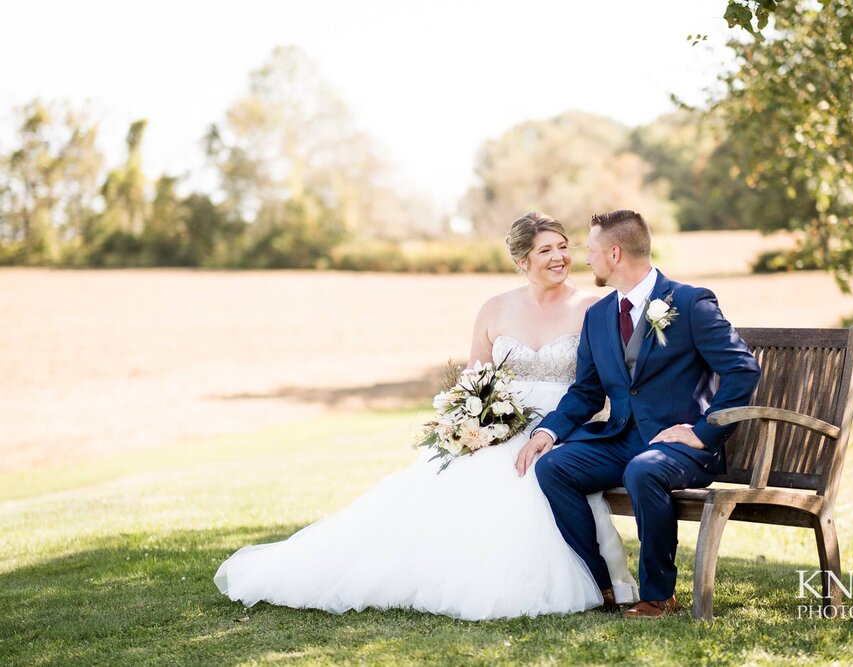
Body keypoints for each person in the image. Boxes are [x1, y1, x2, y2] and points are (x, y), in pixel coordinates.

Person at [214, 212, 638, 621]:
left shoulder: (593, 308)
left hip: (567, 428)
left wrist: (564, 430)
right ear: (521, 261)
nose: (559, 257)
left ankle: (594, 580)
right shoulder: (494, 309)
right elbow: (477, 380)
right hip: (500, 428)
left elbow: (600, 386)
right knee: (468, 477)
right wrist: (474, 422)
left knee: (541, 473)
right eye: (546, 250)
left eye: (564, 247)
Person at [516, 209, 761, 619]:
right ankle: (601, 586)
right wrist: (548, 433)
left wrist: (703, 432)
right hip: (623, 438)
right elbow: (587, 391)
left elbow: (742, 369)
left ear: (614, 253)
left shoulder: (689, 303)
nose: (586, 259)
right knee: (555, 468)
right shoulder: (598, 316)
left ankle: (658, 595)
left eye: (591, 250)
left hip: (681, 448)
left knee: (644, 470)